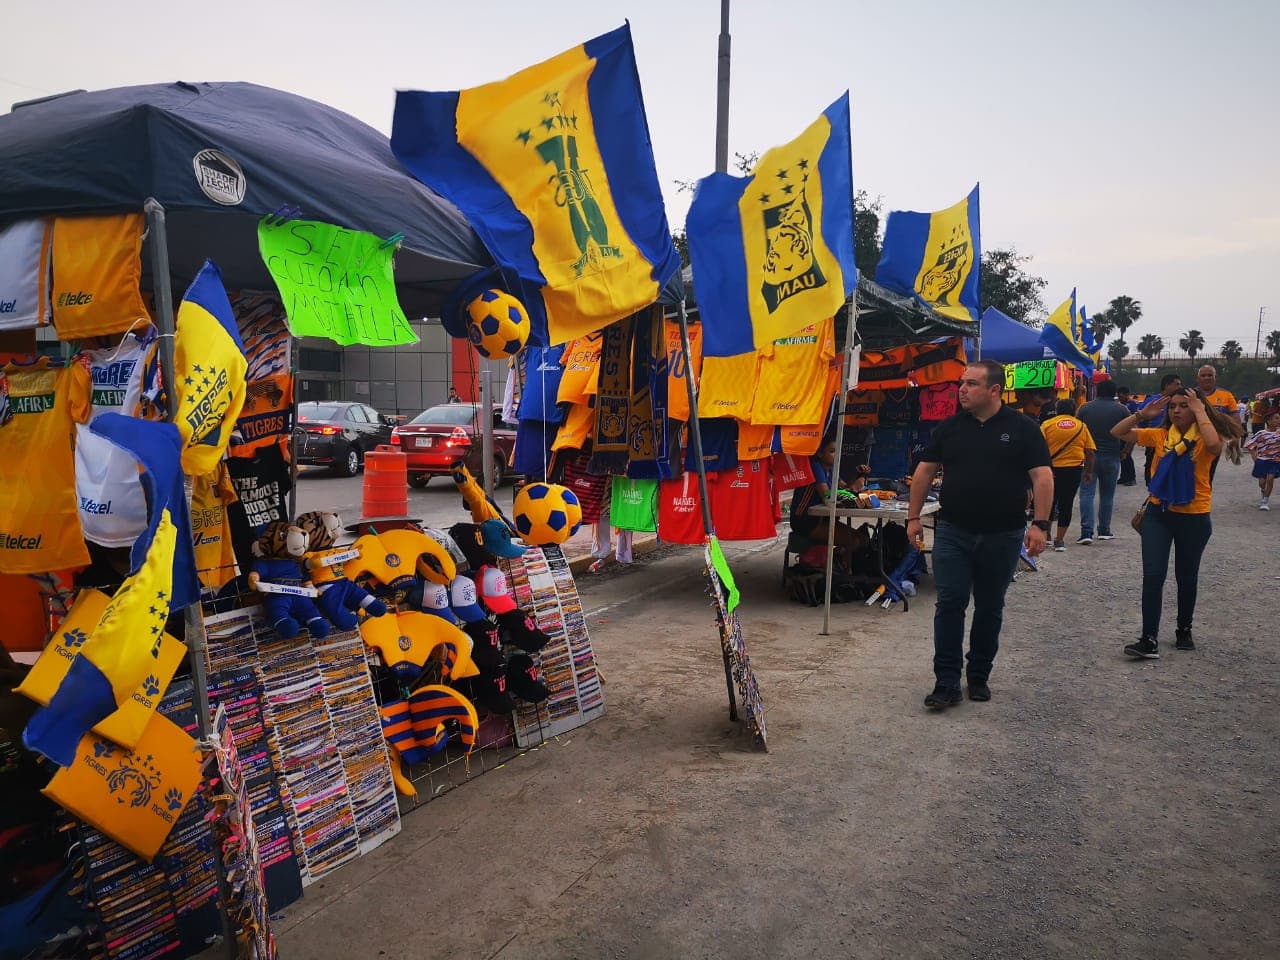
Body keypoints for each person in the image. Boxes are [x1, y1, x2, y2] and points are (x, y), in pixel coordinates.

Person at [906, 361, 1052, 709]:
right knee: (949, 604)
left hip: (1003, 534)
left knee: (989, 606)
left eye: (971, 384)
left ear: (994, 390)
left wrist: (1041, 525)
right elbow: (924, 471)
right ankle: (946, 682)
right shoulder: (949, 429)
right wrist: (913, 517)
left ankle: (979, 675)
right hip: (954, 531)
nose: (962, 389)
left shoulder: (1023, 429)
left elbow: (1042, 477)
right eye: (961, 383)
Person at [1111, 387, 1244, 658]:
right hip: (1158, 514)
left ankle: (1184, 629)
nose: (1177, 410)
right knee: (1152, 576)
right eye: (1173, 406)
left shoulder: (1206, 437)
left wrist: (1199, 410)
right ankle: (1149, 639)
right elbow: (1118, 433)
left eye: (1184, 405)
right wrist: (1140, 415)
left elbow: (1215, 446)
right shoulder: (1161, 436)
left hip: (1194, 516)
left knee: (1186, 576)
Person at [789, 439, 869, 563]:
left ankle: (837, 566)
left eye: (838, 451)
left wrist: (860, 475)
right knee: (855, 541)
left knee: (862, 538)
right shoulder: (815, 467)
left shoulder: (831, 469)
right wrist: (852, 490)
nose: (837, 455)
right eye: (832, 451)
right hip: (805, 521)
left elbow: (845, 487)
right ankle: (840, 572)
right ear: (820, 454)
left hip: (823, 519)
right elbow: (827, 495)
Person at [1076, 380, 1130, 542]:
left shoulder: (1084, 408)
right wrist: (1126, 451)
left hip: (1088, 457)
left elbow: (1077, 431)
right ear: (1114, 392)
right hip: (1112, 456)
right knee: (1107, 495)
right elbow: (1133, 431)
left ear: (1097, 391)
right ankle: (1104, 530)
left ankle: (1086, 532)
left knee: (1086, 493)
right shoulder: (1122, 409)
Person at [1041, 398, 1096, 550]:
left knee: (1049, 503)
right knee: (1066, 504)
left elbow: (1039, 448)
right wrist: (1089, 471)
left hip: (1051, 470)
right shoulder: (1081, 426)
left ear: (1058, 410)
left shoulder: (1047, 424)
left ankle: (1046, 535)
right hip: (1073, 470)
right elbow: (1090, 451)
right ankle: (1060, 540)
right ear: (1074, 410)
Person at [1141, 375, 1183, 486]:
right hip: (1155, 442)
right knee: (1152, 471)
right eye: (1177, 384)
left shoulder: (1181, 400)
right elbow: (1141, 419)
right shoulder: (1152, 401)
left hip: (1177, 443)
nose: (1180, 386)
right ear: (1167, 385)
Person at [1244, 409, 1280, 510]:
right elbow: (1250, 446)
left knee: (1270, 478)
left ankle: (1265, 501)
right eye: (1276, 418)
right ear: (1268, 421)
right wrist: (1255, 459)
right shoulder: (1261, 433)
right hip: (1262, 461)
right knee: (1262, 483)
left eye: (1279, 418)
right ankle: (1263, 494)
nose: (1279, 420)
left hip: (1275, 461)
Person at [1117, 386, 1140, 485]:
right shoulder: (1122, 404)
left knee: (1127, 454)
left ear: (1126, 395)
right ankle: (1124, 476)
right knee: (1122, 455)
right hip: (1123, 433)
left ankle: (1131, 478)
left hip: (1130, 432)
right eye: (1118, 396)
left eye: (1121, 396)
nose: (1119, 398)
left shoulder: (1131, 405)